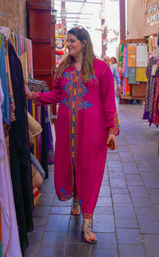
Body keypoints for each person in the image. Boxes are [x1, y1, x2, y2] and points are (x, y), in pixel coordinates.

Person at [25, 26, 119, 244]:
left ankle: (88, 223)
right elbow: (57, 94)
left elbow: (108, 102)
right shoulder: (63, 68)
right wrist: (35, 95)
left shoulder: (102, 69)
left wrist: (112, 131)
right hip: (68, 130)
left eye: (72, 41)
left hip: (93, 131)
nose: (67, 44)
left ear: (84, 43)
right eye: (67, 41)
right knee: (72, 165)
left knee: (91, 171)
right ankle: (75, 197)